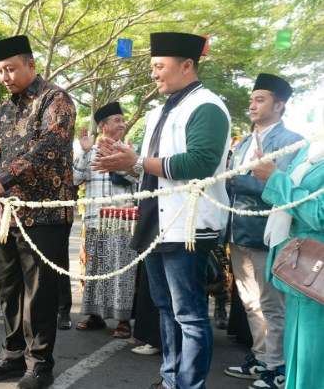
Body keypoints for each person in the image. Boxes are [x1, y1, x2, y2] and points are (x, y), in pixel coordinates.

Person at [92, 32, 231, 389]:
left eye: (159, 66)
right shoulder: (158, 112)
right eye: (152, 66)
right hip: (154, 221)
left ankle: (189, 384)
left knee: (190, 314)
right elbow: (150, 169)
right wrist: (123, 163)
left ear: (187, 65)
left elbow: (200, 162)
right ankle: (171, 378)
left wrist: (136, 159)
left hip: (187, 225)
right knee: (165, 308)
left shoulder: (207, 106)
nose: (153, 74)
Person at [0, 35, 76, 389]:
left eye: (11, 69)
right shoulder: (4, 110)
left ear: (31, 65)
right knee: (9, 288)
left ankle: (40, 365)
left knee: (40, 292)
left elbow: (52, 144)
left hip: (45, 214)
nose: (5, 77)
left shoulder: (56, 99)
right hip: (7, 214)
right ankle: (12, 354)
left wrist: (3, 179)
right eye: (1, 71)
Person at [224, 73, 303, 389]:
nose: (253, 105)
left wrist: (232, 180)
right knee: (250, 303)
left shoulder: (290, 141)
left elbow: (279, 185)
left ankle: (278, 367)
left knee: (271, 304)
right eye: (252, 99)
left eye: (261, 99)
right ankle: (261, 360)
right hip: (236, 230)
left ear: (279, 105)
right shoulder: (244, 140)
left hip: (266, 233)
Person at [252, 133, 324, 389]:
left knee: (312, 360)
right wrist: (270, 174)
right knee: (298, 355)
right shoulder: (311, 146)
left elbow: (319, 214)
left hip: (317, 274)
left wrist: (275, 178)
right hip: (299, 268)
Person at [73, 102, 138, 338]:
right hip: (93, 219)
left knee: (122, 269)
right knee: (94, 268)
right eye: (117, 120)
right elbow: (73, 179)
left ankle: (123, 320)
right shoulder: (87, 150)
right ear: (103, 125)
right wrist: (84, 151)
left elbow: (139, 180)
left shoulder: (130, 150)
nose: (122, 124)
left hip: (121, 219)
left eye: (123, 120)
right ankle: (95, 316)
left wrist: (123, 162)